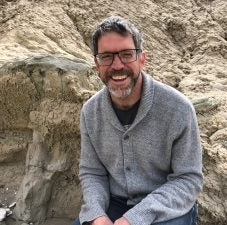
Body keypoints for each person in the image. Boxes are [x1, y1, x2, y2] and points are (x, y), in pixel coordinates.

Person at [72, 16, 203, 225]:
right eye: (106, 56)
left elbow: (188, 179)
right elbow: (92, 173)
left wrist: (134, 219)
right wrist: (97, 215)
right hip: (114, 204)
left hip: (167, 207)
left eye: (126, 54)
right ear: (97, 63)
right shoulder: (90, 112)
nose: (117, 65)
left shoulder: (178, 109)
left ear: (142, 58)